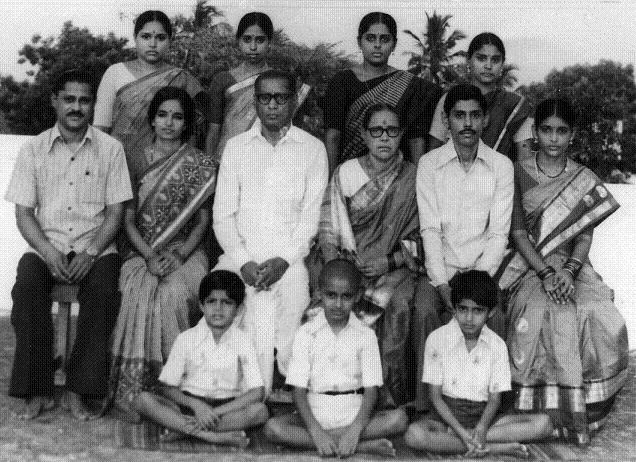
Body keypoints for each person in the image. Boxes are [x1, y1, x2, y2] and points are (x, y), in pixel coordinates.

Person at [499, 97, 629, 445]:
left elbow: (584, 232)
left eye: (561, 131)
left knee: (597, 313)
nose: (553, 138)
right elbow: (518, 233)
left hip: (573, 266)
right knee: (538, 310)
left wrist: (569, 273)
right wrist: (545, 274)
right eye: (546, 130)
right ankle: (539, 409)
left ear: (572, 135)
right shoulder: (518, 172)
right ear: (536, 133)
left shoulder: (582, 178)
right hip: (529, 264)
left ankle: (588, 408)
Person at [5, 69, 132, 420]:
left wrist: (91, 252)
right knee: (27, 287)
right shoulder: (34, 149)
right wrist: (48, 251)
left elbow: (115, 212)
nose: (77, 107)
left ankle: (78, 390)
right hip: (47, 247)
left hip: (97, 248)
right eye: (69, 99)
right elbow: (24, 213)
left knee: (105, 294)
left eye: (84, 100)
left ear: (93, 104)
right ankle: (38, 389)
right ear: (55, 101)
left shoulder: (111, 149)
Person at [213, 69, 328, 395]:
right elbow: (222, 216)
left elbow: (310, 221)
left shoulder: (313, 149)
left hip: (288, 260)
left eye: (281, 97)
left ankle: (286, 390)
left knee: (294, 300)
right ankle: (229, 390)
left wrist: (283, 261)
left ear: (293, 101)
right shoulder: (236, 147)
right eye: (265, 98)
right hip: (239, 256)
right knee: (221, 297)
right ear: (256, 101)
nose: (273, 105)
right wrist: (244, 261)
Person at [105, 87, 218, 418]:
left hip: (187, 250)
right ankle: (134, 389)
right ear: (152, 119)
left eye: (178, 116)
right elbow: (126, 219)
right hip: (141, 248)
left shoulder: (199, 163)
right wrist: (150, 255)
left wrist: (180, 255)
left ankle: (172, 391)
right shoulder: (135, 158)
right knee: (139, 288)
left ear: (186, 124)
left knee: (174, 293)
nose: (169, 123)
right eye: (163, 115)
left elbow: (203, 221)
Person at [413, 83, 514, 412]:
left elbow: (499, 233)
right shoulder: (429, 164)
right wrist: (442, 283)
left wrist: (475, 285)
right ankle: (426, 403)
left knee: (493, 317)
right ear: (447, 121)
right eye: (459, 116)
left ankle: (489, 406)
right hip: (440, 270)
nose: (467, 123)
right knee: (425, 310)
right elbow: (429, 229)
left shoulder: (501, 166)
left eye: (474, 115)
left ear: (485, 120)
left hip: (482, 271)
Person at [314, 102, 420, 406]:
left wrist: (388, 261)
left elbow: (423, 234)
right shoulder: (346, 172)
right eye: (377, 130)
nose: (384, 137)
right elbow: (329, 228)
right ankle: (335, 396)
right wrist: (344, 268)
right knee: (324, 309)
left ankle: (386, 399)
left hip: (395, 271)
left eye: (392, 131)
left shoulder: (413, 177)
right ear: (364, 134)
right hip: (348, 268)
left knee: (396, 307)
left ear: (401, 135)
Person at [264, 259, 408, 458]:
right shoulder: (306, 333)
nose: (338, 304)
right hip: (316, 410)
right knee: (273, 428)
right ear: (320, 293)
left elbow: (371, 391)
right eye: (331, 296)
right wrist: (315, 431)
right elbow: (298, 392)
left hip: (354, 411)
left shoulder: (365, 335)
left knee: (399, 419)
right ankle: (358, 446)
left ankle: (335, 443)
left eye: (346, 297)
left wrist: (355, 430)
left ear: (357, 296)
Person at [404, 271, 553, 457]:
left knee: (544, 424)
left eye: (478, 311)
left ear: (491, 312)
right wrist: (459, 430)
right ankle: (493, 446)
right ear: (453, 308)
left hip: (485, 418)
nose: (468, 318)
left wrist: (481, 428)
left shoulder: (497, 345)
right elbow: (435, 398)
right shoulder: (437, 339)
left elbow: (495, 399)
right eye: (463, 309)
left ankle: (471, 440)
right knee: (414, 435)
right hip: (447, 420)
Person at [134, 271, 269, 447]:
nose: (218, 309)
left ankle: (183, 429)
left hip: (225, 410)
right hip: (189, 406)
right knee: (142, 400)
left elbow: (257, 392)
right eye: (211, 301)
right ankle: (212, 437)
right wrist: (197, 406)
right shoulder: (186, 338)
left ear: (239, 309)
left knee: (260, 411)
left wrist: (214, 412)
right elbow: (167, 388)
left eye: (227, 303)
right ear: (201, 306)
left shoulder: (243, 341)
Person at [323, 12, 442, 173]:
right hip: (351, 174)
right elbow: (333, 136)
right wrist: (332, 178)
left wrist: (417, 183)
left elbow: (416, 141)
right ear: (360, 42)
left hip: (397, 177)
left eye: (384, 39)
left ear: (394, 44)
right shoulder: (342, 81)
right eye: (370, 38)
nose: (377, 45)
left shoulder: (411, 86)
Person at [93, 10, 212, 160]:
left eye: (160, 38)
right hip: (118, 162)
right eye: (146, 36)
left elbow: (196, 130)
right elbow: (101, 128)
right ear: (135, 38)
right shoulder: (115, 73)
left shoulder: (182, 79)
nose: (153, 44)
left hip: (167, 167)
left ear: (170, 41)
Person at [207, 12, 311, 162]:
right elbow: (213, 130)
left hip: (268, 160)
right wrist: (209, 168)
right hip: (227, 158)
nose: (253, 47)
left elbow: (293, 131)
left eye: (260, 40)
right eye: (247, 39)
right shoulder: (222, 80)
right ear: (238, 41)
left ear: (270, 43)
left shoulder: (281, 81)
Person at [428, 33, 533, 162]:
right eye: (481, 58)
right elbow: (434, 149)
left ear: (502, 64)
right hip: (451, 176)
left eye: (495, 60)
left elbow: (525, 155)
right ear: (469, 60)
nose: (488, 66)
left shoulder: (514, 106)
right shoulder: (450, 98)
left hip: (497, 178)